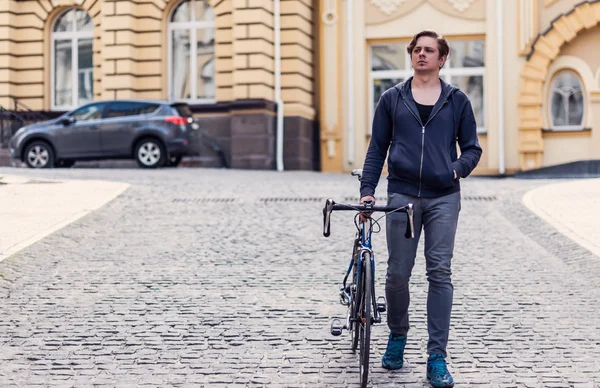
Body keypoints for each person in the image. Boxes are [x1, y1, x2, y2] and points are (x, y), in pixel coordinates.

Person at [359, 30, 482, 388]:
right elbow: (376, 149)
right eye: (417, 50)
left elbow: (472, 148)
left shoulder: (457, 101)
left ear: (442, 59)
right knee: (397, 274)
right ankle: (398, 335)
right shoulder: (391, 99)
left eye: (430, 50)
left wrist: (455, 170)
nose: (422, 54)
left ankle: (437, 359)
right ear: (410, 56)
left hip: (444, 197)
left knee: (439, 273)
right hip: (402, 195)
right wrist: (368, 191)